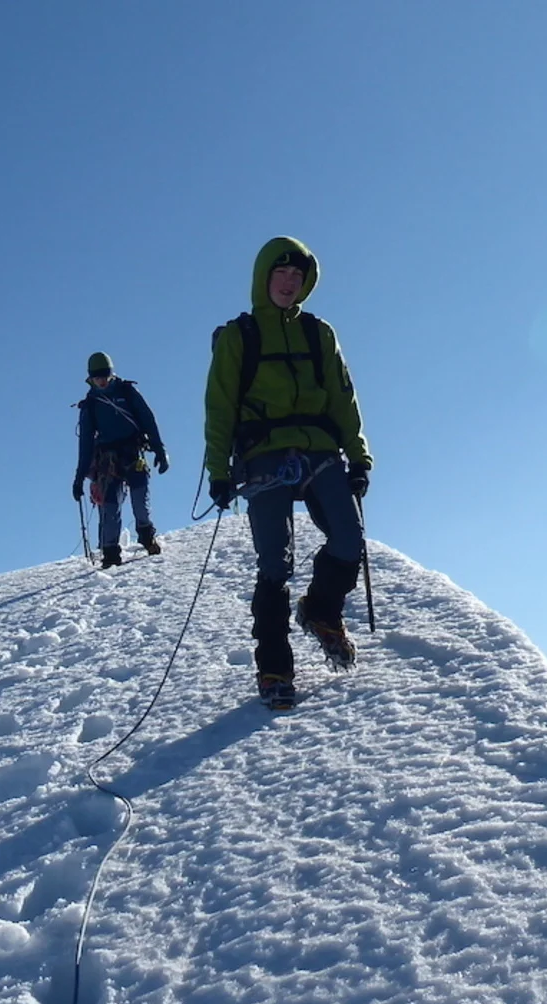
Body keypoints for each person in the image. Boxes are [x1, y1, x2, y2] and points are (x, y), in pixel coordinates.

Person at [204, 237, 372, 708]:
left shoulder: (319, 334)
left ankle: (320, 609)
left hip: (319, 449)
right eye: (280, 273)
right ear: (263, 277)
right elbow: (220, 406)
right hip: (263, 453)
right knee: (274, 564)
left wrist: (359, 456)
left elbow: (343, 398)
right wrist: (218, 470)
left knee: (349, 539)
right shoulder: (239, 336)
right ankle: (274, 667)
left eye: (297, 276)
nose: (289, 282)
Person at [73, 351, 169, 568]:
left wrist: (159, 449)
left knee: (140, 500)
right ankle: (110, 554)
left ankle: (147, 537)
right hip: (107, 460)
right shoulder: (91, 404)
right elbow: (85, 443)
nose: (102, 382)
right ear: (90, 378)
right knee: (110, 506)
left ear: (111, 374)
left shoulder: (127, 392)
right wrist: (79, 478)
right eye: (97, 378)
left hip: (132, 452)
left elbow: (148, 419)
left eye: (105, 377)